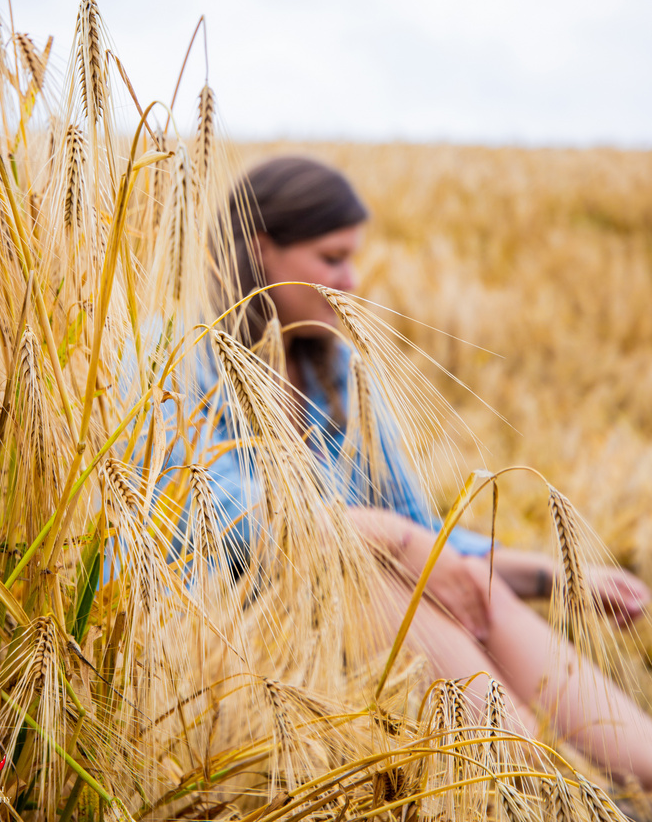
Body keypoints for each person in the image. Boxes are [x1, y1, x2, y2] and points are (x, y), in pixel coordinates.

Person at [208, 154, 652, 789]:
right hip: (235, 623)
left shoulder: (340, 374)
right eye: (332, 259)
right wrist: (388, 537)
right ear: (261, 250)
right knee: (373, 578)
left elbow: (421, 531)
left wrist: (557, 575)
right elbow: (206, 511)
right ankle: (541, 785)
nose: (353, 280)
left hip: (362, 602)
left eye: (354, 259)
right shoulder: (182, 357)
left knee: (466, 578)